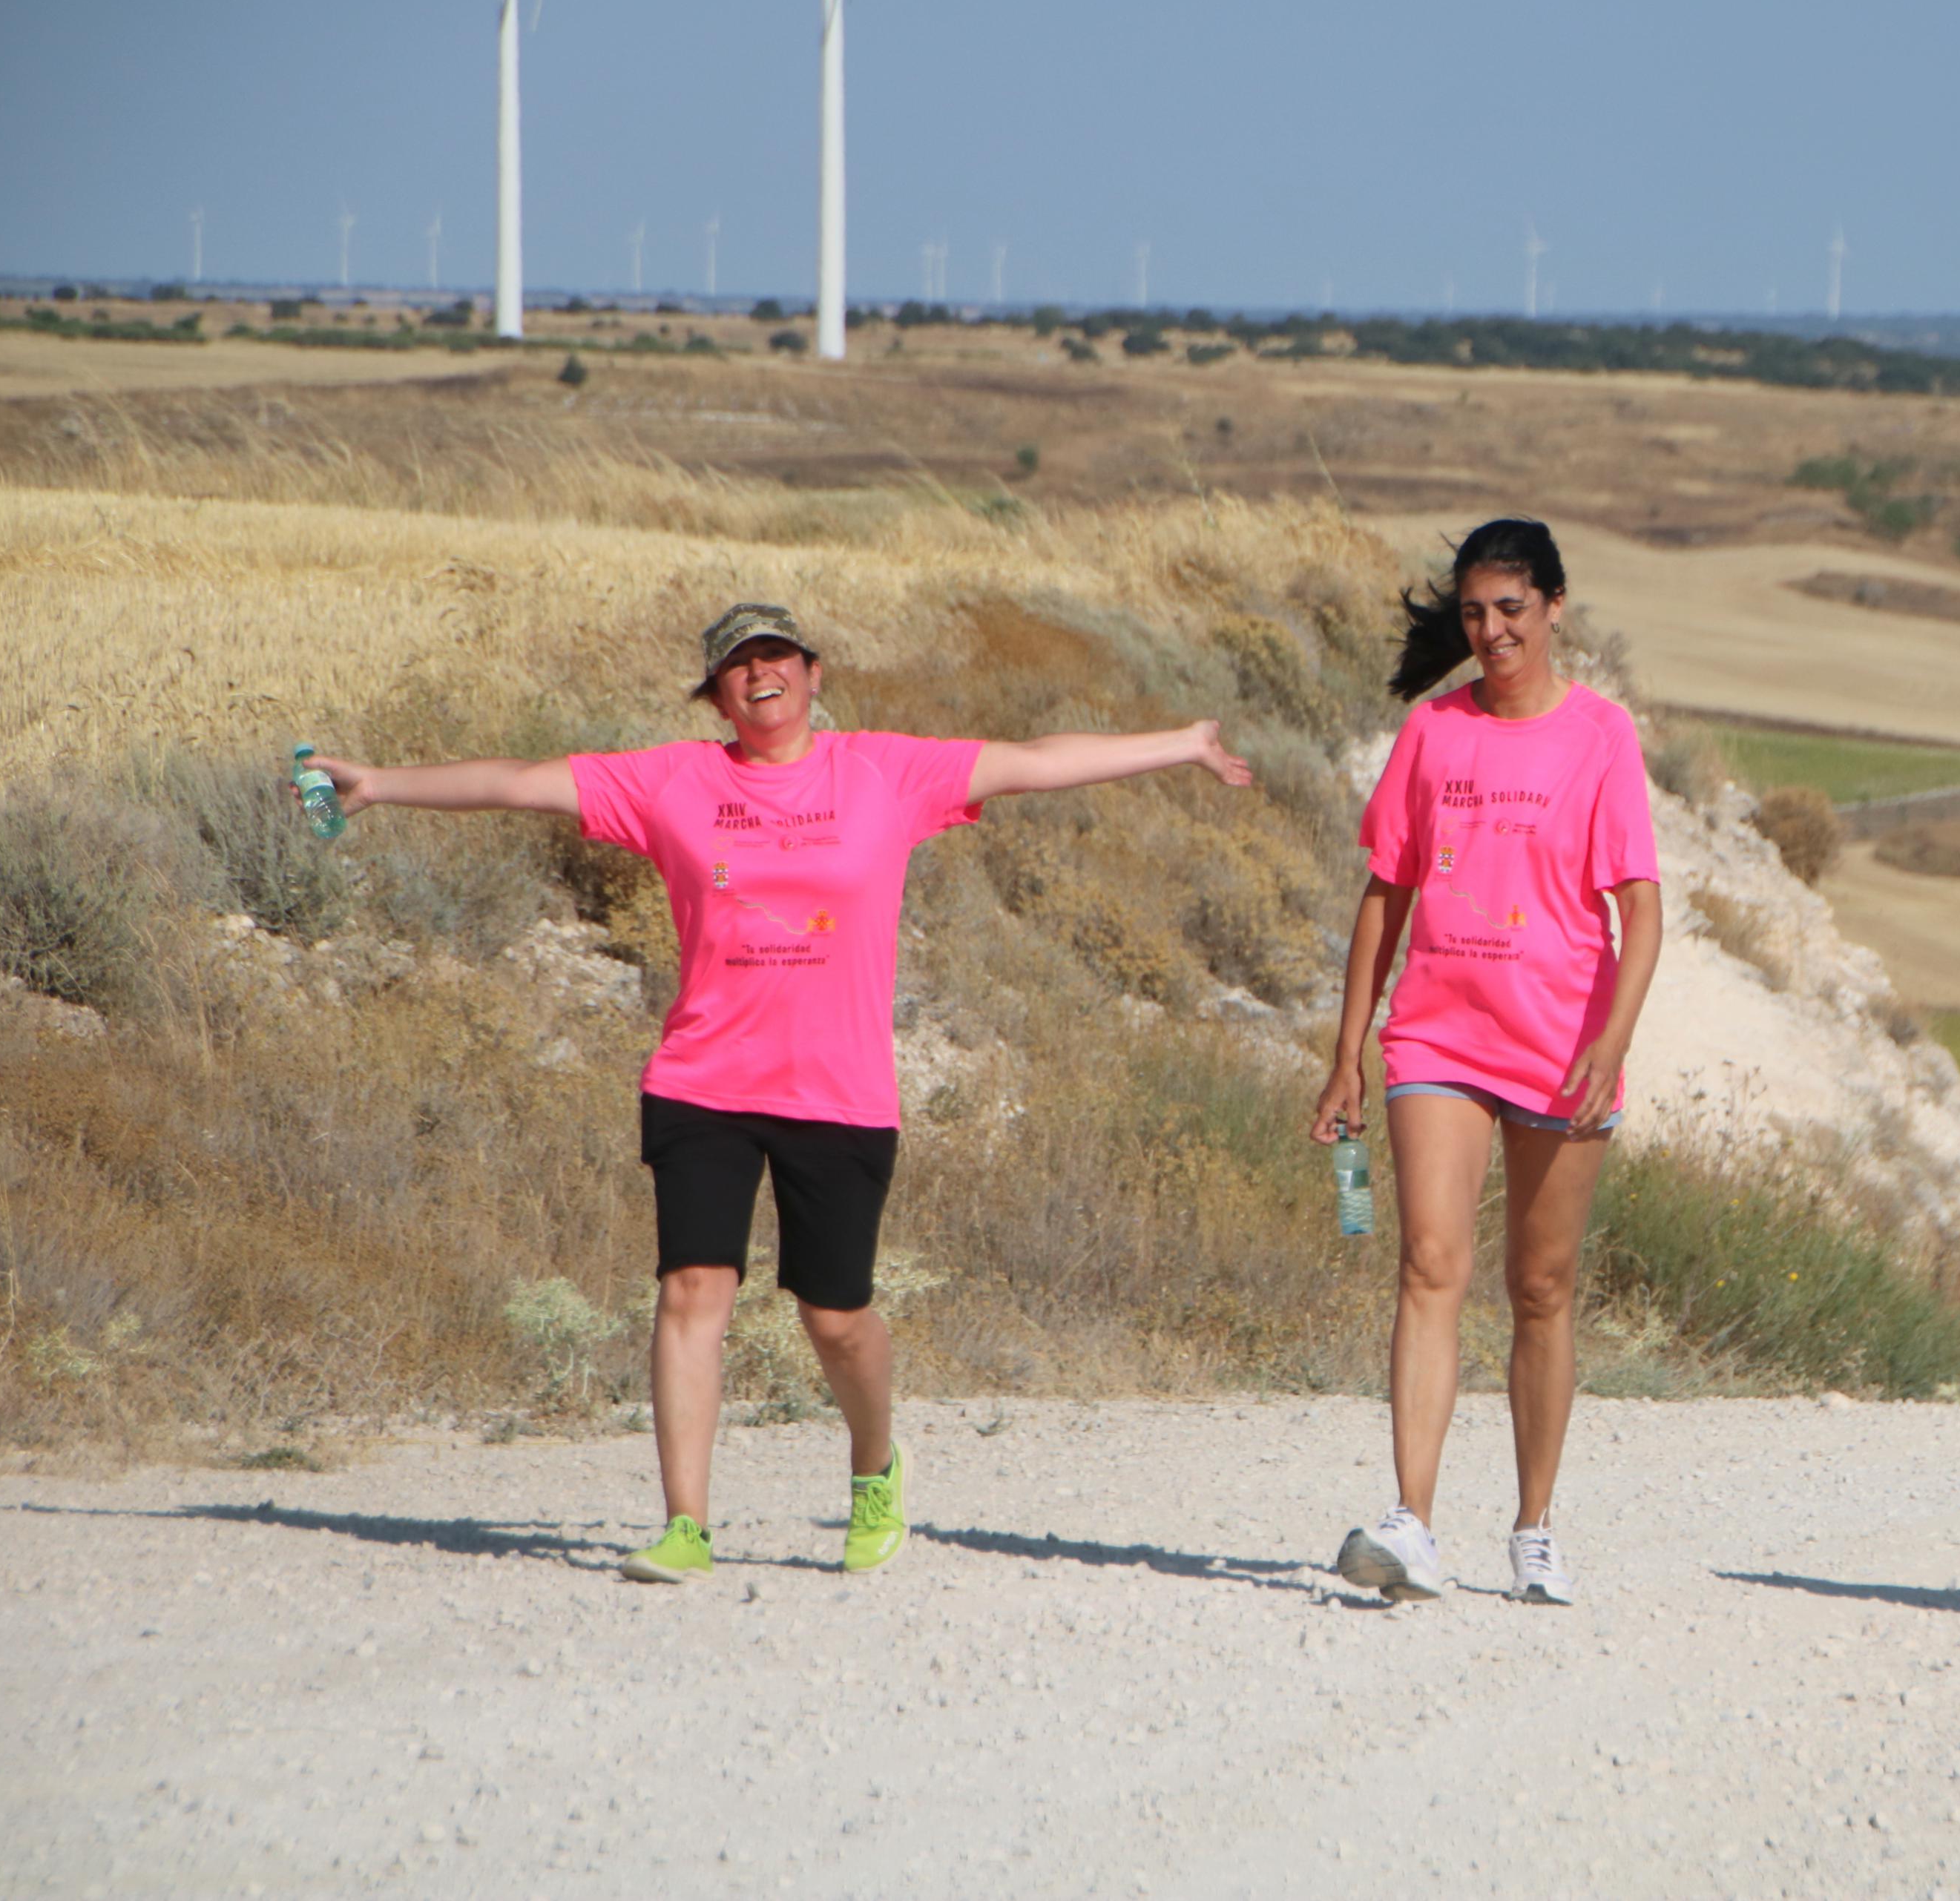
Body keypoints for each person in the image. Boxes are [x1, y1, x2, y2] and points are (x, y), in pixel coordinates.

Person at [306, 602, 1252, 1582]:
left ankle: (876, 1469)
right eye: (737, 665)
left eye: (776, 657)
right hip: (702, 1078)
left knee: (834, 1316)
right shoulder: (674, 780)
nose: (760, 674)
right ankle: (685, 1526)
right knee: (691, 1290)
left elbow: (1033, 759)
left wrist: (1178, 744)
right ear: (716, 693)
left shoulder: (885, 773)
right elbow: (518, 783)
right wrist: (378, 784)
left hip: (837, 1089)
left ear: (812, 671)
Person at [1311, 519, 1663, 1606]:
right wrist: (1349, 1051)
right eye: (1474, 612)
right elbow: (1388, 893)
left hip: (1563, 1046)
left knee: (1542, 1287)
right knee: (1428, 1264)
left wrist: (1612, 1042)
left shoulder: (1601, 736)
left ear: (1555, 607)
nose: (1491, 630)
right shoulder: (1432, 733)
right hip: (1438, 1034)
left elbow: (1642, 911)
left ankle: (1534, 1529)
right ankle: (1410, 1524)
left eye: (1511, 608)